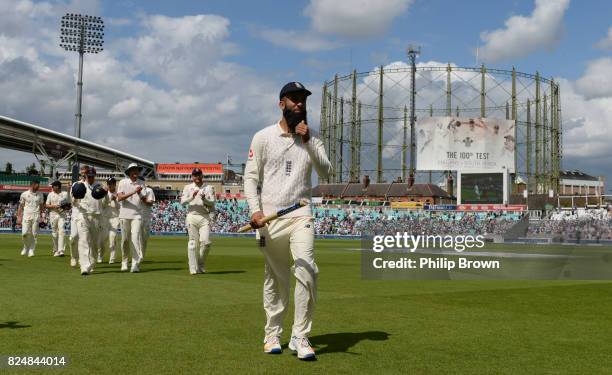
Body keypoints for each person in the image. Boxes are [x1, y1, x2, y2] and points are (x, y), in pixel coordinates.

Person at [244, 82, 332, 360]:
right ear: (281, 103)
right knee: (277, 279)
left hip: (300, 214)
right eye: (294, 100)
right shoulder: (263, 137)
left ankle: (300, 336)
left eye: (303, 100)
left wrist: (308, 144)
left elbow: (327, 173)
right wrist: (255, 210)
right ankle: (272, 334)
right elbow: (251, 177)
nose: (300, 105)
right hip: (270, 218)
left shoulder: (313, 138)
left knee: (307, 270)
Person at [72, 167, 107, 275]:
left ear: (94, 176)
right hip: (84, 215)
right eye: (88, 176)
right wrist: (75, 196)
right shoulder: (78, 185)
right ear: (85, 176)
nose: (90, 178)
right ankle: (84, 266)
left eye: (92, 176)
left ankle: (92, 263)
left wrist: (105, 193)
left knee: (95, 244)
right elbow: (73, 202)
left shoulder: (100, 186)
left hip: (97, 217)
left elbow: (106, 203)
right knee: (84, 241)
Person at [180, 168, 216, 275]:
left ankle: (200, 265)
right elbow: (182, 202)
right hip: (192, 216)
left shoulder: (209, 188)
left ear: (202, 176)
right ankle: (193, 268)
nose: (197, 177)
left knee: (206, 242)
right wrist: (192, 196)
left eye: (199, 175)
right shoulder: (188, 187)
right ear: (192, 177)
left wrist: (204, 199)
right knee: (192, 244)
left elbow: (212, 203)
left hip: (204, 217)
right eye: (195, 175)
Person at [117, 163, 145, 273]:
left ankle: (135, 264)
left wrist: (139, 194)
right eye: (133, 170)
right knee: (125, 240)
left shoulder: (142, 183)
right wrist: (133, 192)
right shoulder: (123, 182)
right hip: (124, 215)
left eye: (137, 170)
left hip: (137, 215)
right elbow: (120, 198)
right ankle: (124, 262)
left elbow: (144, 198)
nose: (135, 172)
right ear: (129, 172)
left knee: (135, 239)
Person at [17, 180, 45, 257]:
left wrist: (43, 216)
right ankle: (26, 247)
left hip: (36, 216)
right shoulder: (24, 194)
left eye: (39, 185)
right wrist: (19, 217)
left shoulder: (40, 194)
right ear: (32, 185)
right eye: (37, 185)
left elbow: (42, 206)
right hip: (26, 215)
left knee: (34, 234)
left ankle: (31, 250)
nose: (39, 187)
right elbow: (21, 206)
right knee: (24, 234)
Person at [69, 165, 89, 267]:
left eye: (86, 172)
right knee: (73, 238)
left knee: (84, 239)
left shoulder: (91, 185)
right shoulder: (75, 185)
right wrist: (74, 197)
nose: (84, 174)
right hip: (76, 214)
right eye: (82, 172)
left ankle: (82, 259)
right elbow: (72, 201)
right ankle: (73, 257)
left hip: (86, 215)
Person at [98, 177, 120, 264]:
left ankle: (112, 258)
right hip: (104, 219)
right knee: (102, 240)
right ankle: (100, 255)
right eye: (109, 184)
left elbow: (120, 207)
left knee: (113, 238)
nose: (110, 185)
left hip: (115, 218)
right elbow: (102, 205)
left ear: (115, 184)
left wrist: (116, 200)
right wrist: (107, 196)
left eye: (112, 184)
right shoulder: (103, 193)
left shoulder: (119, 193)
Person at [45, 180, 69, 257]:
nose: (52, 187)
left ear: (58, 186)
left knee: (61, 231)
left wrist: (64, 208)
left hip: (61, 214)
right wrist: (54, 206)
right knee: (54, 233)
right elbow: (47, 205)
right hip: (53, 214)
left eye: (53, 186)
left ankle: (61, 250)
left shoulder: (65, 194)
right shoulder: (50, 194)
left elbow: (69, 204)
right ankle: (55, 250)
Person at [138, 176, 155, 258]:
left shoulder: (149, 190)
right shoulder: (133, 190)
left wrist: (142, 198)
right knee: (137, 237)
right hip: (136, 216)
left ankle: (142, 254)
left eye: (141, 181)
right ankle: (138, 255)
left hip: (146, 217)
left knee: (144, 238)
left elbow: (150, 203)